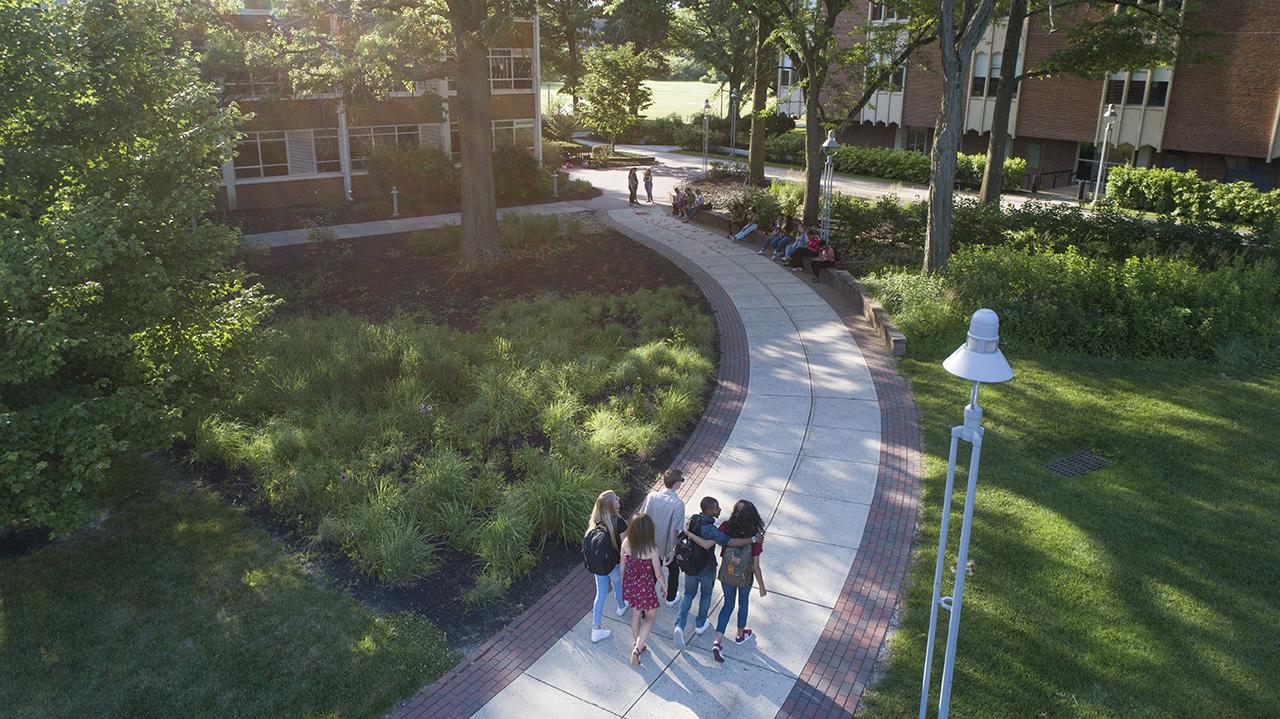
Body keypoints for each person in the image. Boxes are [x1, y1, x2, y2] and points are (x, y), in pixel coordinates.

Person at [673, 497, 760, 646]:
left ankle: (679, 626)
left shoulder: (694, 519)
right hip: (706, 568)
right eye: (716, 508)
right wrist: (753, 539)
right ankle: (700, 624)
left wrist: (688, 532)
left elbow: (691, 533)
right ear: (709, 510)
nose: (719, 510)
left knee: (688, 595)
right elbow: (728, 542)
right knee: (706, 595)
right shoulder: (711, 530)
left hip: (690, 566)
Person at [712, 500, 767, 663]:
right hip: (744, 577)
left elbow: (721, 542)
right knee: (743, 603)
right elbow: (755, 565)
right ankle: (740, 634)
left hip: (727, 575)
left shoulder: (725, 527)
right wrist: (762, 586)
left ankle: (717, 642)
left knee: (728, 605)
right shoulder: (756, 536)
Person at [584, 490, 629, 643]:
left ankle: (596, 628)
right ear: (611, 504)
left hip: (599, 566)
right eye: (616, 498)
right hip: (614, 564)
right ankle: (621, 605)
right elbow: (624, 549)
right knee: (617, 583)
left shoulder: (594, 522)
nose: (619, 499)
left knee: (601, 593)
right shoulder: (619, 522)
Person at [621, 512, 667, 666]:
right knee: (650, 617)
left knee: (635, 615)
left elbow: (622, 566)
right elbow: (658, 572)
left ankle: (638, 644)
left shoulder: (626, 543)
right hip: (645, 587)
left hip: (630, 584)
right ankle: (637, 649)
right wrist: (663, 585)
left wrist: (624, 583)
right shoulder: (652, 548)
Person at [637, 469, 686, 608]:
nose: (681, 483)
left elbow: (641, 517)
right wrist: (672, 550)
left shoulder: (652, 497)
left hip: (648, 543)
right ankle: (670, 598)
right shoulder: (678, 504)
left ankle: (642, 605)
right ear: (676, 484)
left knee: (651, 573)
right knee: (673, 570)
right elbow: (675, 530)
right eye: (680, 481)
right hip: (665, 546)